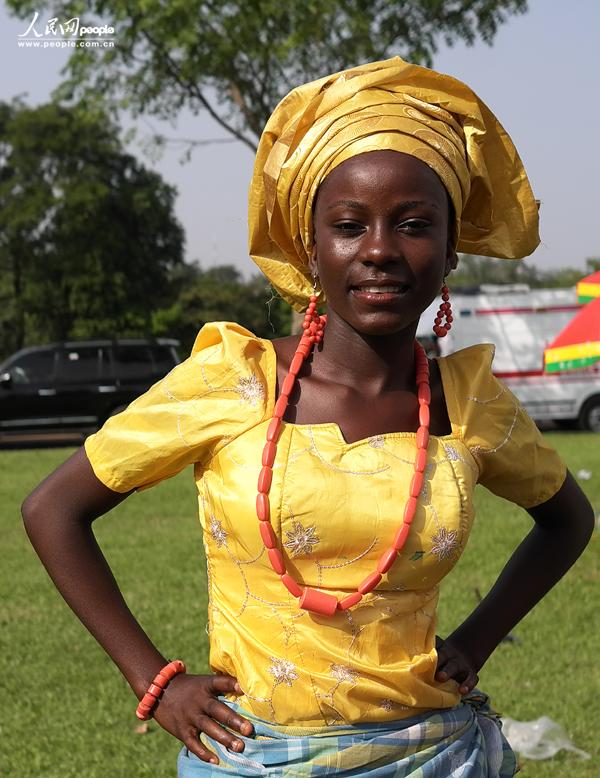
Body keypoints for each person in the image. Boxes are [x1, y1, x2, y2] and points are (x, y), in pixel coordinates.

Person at [22, 57, 594, 777]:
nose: (381, 250)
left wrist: (476, 641)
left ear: (450, 251)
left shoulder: (468, 401)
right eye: (350, 226)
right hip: (252, 756)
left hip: (432, 755)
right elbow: (53, 510)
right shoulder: (234, 381)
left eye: (414, 225)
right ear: (310, 248)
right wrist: (154, 682)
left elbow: (568, 519)